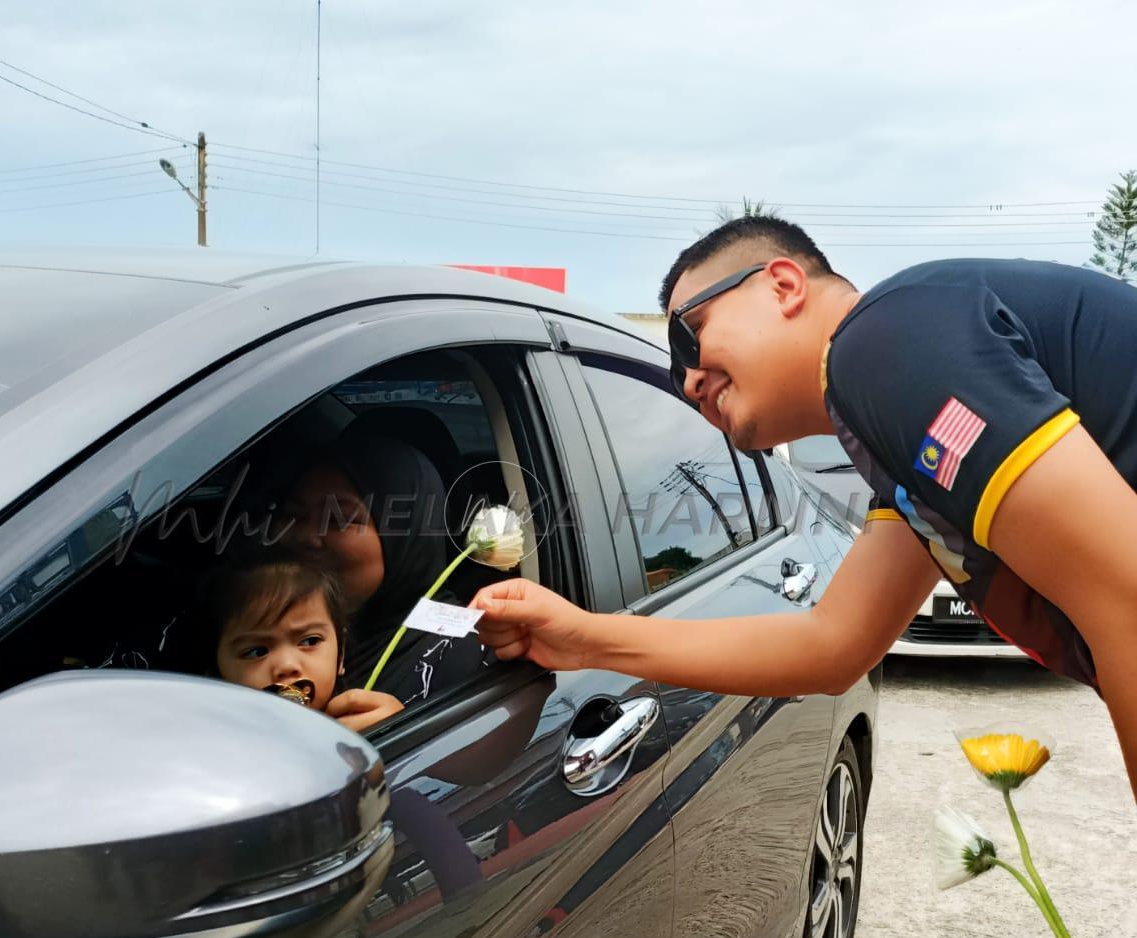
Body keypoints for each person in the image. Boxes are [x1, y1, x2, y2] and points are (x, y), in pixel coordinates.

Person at [472, 215, 1137, 801]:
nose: (691, 381)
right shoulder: (893, 435)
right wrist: (585, 637)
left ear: (783, 285)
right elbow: (832, 644)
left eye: (689, 337)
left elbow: (1127, 592)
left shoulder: (880, 341)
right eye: (678, 377)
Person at [277, 432, 487, 704]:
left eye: (340, 519)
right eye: (292, 514)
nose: (306, 537)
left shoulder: (465, 654)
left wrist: (401, 729)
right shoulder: (249, 628)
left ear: (407, 536)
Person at [199, 556, 404, 732]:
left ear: (340, 654)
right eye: (256, 652)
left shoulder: (365, 720)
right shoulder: (213, 751)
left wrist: (396, 727)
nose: (287, 666)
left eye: (309, 641)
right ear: (215, 675)